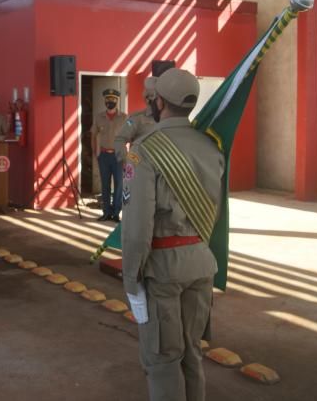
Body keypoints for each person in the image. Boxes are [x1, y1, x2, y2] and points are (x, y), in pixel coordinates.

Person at [121, 68, 224, 401]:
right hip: (201, 262)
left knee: (163, 359)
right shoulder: (210, 146)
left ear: (159, 102)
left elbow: (137, 226)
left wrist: (131, 277)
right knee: (192, 353)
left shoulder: (145, 150)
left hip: (163, 268)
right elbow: (215, 210)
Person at [91, 88, 127, 222]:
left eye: (113, 99)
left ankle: (116, 213)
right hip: (104, 156)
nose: (110, 101)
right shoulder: (98, 117)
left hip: (119, 156)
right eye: (108, 99)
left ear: (117, 101)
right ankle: (106, 212)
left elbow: (131, 135)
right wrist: (95, 152)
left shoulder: (125, 117)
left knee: (119, 185)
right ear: (105, 101)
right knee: (105, 185)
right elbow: (93, 135)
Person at [114, 77, 158, 163]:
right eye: (155, 99)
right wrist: (128, 161)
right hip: (142, 166)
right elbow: (120, 139)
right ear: (148, 99)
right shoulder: (136, 118)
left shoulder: (170, 118)